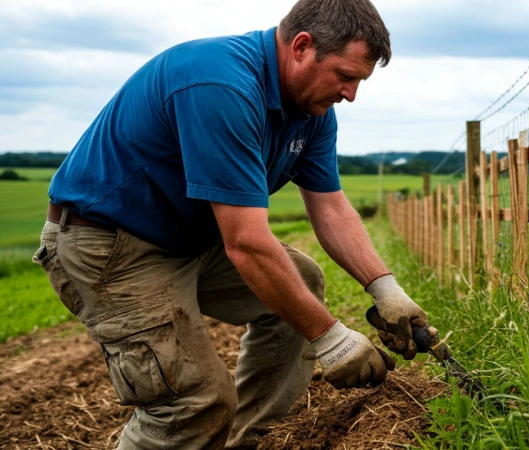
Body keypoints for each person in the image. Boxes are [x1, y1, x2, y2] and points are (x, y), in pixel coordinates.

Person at [32, 0, 433, 448]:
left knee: (298, 281)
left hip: (186, 242)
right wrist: (331, 338)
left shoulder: (311, 112)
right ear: (301, 47)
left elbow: (331, 207)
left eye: (359, 81)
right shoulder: (219, 82)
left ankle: (248, 440)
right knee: (193, 403)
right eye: (344, 76)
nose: (351, 93)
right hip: (110, 246)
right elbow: (245, 242)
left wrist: (386, 290)